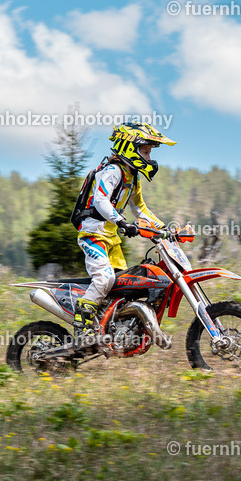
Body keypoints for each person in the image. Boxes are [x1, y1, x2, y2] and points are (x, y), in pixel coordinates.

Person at [72, 122, 175, 347]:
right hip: (93, 234)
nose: (149, 157)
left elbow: (140, 209)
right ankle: (82, 320)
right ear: (131, 148)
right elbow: (100, 200)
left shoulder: (133, 177)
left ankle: (112, 325)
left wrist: (164, 228)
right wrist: (121, 221)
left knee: (122, 285)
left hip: (112, 237)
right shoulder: (112, 171)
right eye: (145, 151)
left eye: (150, 152)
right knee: (105, 278)